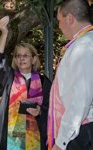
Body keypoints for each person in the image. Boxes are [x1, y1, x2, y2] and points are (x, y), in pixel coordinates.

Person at [0, 16, 52, 150]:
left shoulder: (44, 82)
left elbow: (53, 109)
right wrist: (4, 33)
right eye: (18, 55)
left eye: (25, 55)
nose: (21, 59)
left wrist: (40, 111)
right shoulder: (9, 77)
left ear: (33, 59)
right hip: (10, 138)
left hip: (37, 138)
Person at [47, 0, 93, 150]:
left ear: (70, 19)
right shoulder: (85, 43)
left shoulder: (85, 46)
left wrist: (61, 142)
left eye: (59, 20)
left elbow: (79, 100)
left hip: (81, 132)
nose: (58, 26)